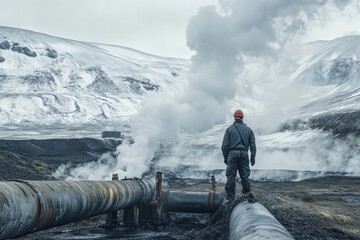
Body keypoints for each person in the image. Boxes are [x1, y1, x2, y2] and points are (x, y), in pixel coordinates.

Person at [221, 109, 256, 203]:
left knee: (231, 176)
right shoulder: (249, 130)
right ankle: (247, 193)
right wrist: (252, 157)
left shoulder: (229, 129)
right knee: (245, 176)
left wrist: (226, 157)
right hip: (244, 154)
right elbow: (253, 146)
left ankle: (230, 197)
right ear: (242, 117)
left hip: (232, 154)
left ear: (234, 117)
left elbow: (224, 146)